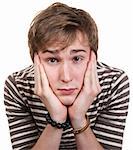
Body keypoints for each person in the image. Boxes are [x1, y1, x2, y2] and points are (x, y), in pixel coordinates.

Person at [4, 2, 129, 150]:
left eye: (77, 58)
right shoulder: (18, 86)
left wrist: (78, 118)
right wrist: (56, 118)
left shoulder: (113, 83)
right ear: (35, 60)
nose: (66, 77)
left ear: (92, 57)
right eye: (52, 60)